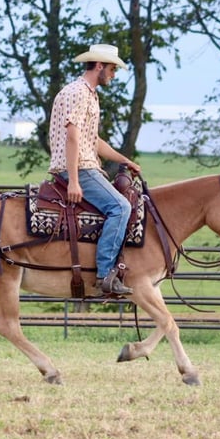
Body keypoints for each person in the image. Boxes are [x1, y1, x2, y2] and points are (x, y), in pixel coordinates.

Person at [48, 44, 142, 295]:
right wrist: (74, 181)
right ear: (99, 66)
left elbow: (92, 140)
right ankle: (106, 274)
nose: (114, 74)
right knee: (120, 207)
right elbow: (72, 139)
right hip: (79, 167)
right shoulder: (78, 93)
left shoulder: (88, 93)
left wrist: (125, 160)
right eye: (112, 69)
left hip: (84, 164)